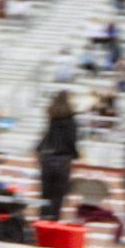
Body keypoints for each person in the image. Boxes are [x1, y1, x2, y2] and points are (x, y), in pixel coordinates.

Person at [37, 90, 79, 221]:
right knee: (58, 196)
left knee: (46, 194)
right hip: (63, 160)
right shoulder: (71, 120)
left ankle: (42, 220)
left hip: (48, 159)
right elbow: (71, 140)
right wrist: (76, 155)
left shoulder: (52, 118)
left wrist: (39, 151)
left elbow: (47, 137)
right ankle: (53, 221)